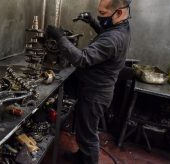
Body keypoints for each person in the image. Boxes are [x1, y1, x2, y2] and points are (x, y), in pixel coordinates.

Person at [46, 0, 132, 163]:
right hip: (94, 88)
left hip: (95, 94)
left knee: (88, 135)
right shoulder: (122, 26)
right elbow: (105, 34)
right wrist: (92, 21)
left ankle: (89, 160)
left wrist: (59, 38)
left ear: (119, 13)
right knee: (83, 129)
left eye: (103, 14)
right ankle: (81, 156)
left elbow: (81, 59)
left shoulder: (114, 38)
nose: (100, 17)